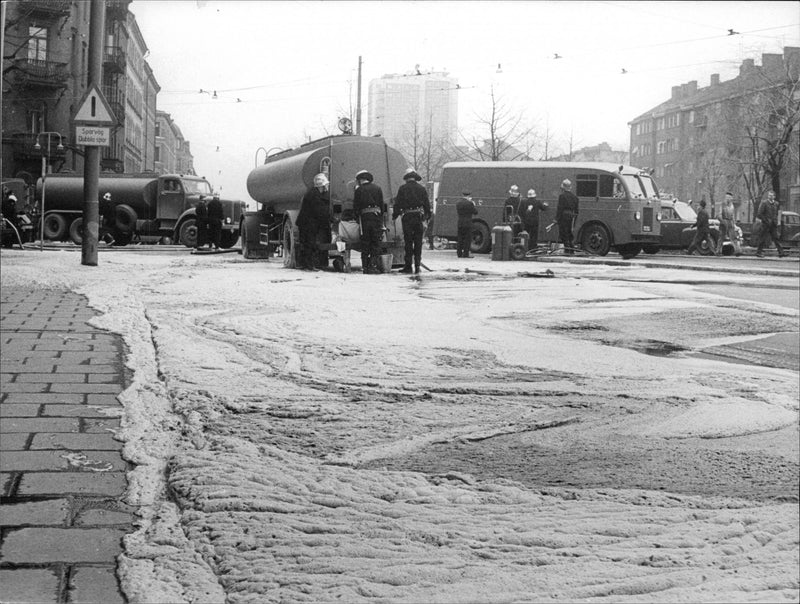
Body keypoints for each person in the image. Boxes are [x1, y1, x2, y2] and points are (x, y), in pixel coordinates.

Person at [393, 168, 431, 274]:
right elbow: (427, 205)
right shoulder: (421, 188)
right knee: (418, 242)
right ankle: (417, 265)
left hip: (407, 217)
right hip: (418, 217)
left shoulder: (402, 188)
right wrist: (427, 216)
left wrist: (395, 215)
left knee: (408, 242)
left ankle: (408, 266)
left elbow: (397, 204)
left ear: (406, 178)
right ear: (415, 178)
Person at [297, 173, 331, 270]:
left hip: (307, 223)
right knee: (309, 243)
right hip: (308, 224)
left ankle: (306, 265)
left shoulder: (313, 193)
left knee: (307, 243)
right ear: (322, 185)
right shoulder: (314, 195)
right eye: (326, 185)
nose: (326, 187)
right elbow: (319, 211)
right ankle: (309, 265)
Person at [353, 169, 385, 274]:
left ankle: (365, 267)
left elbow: (356, 206)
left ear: (361, 179)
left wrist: (356, 217)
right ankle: (373, 265)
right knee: (375, 242)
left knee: (365, 242)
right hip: (376, 218)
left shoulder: (359, 190)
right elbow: (381, 204)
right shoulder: (378, 188)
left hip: (364, 218)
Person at [755, 190, 786, 258]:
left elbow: (777, 213)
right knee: (763, 238)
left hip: (773, 224)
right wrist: (765, 220)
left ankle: (781, 252)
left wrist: (776, 221)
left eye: (772, 195)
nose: (770, 197)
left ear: (774, 196)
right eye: (769, 195)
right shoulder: (764, 203)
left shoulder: (776, 204)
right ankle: (758, 252)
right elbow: (760, 213)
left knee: (776, 238)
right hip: (766, 224)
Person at [555, 179, 579, 254]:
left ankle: (567, 249)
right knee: (569, 233)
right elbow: (577, 211)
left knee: (563, 233)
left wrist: (556, 219)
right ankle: (571, 249)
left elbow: (560, 208)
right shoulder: (575, 197)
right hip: (572, 216)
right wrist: (574, 220)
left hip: (564, 216)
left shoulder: (562, 196)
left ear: (564, 187)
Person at [716, 192, 741, 256]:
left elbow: (732, 216)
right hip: (723, 222)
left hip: (730, 222)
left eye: (729, 197)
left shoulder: (732, 205)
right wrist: (723, 221)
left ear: (731, 198)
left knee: (733, 237)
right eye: (727, 197)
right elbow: (719, 214)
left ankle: (737, 251)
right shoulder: (722, 204)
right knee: (721, 238)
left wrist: (733, 223)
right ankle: (718, 251)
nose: (728, 199)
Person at [455, 190, 478, 258]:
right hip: (468, 223)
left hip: (460, 223)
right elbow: (475, 212)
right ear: (468, 196)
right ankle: (465, 254)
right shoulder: (469, 203)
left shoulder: (458, 203)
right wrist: (473, 204)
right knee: (467, 239)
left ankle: (459, 253)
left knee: (460, 239)